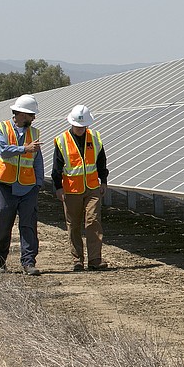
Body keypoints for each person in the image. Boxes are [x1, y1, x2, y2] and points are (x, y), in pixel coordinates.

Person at [51, 104, 109, 271]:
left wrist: (103, 180)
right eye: (78, 126)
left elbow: (101, 161)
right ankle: (77, 260)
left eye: (84, 126)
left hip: (92, 187)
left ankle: (95, 259)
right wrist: (58, 187)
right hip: (71, 189)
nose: (81, 129)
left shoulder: (95, 138)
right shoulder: (62, 140)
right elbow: (57, 167)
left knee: (93, 221)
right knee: (74, 224)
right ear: (72, 123)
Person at [0, 94, 44, 275]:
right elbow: (4, 151)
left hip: (28, 187)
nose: (34, 118)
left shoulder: (34, 133)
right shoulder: (1, 128)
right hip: (5, 185)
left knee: (28, 226)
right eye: (31, 115)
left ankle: (28, 263)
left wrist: (38, 183)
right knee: (3, 224)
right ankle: (0, 261)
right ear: (22, 114)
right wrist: (24, 149)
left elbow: (38, 159)